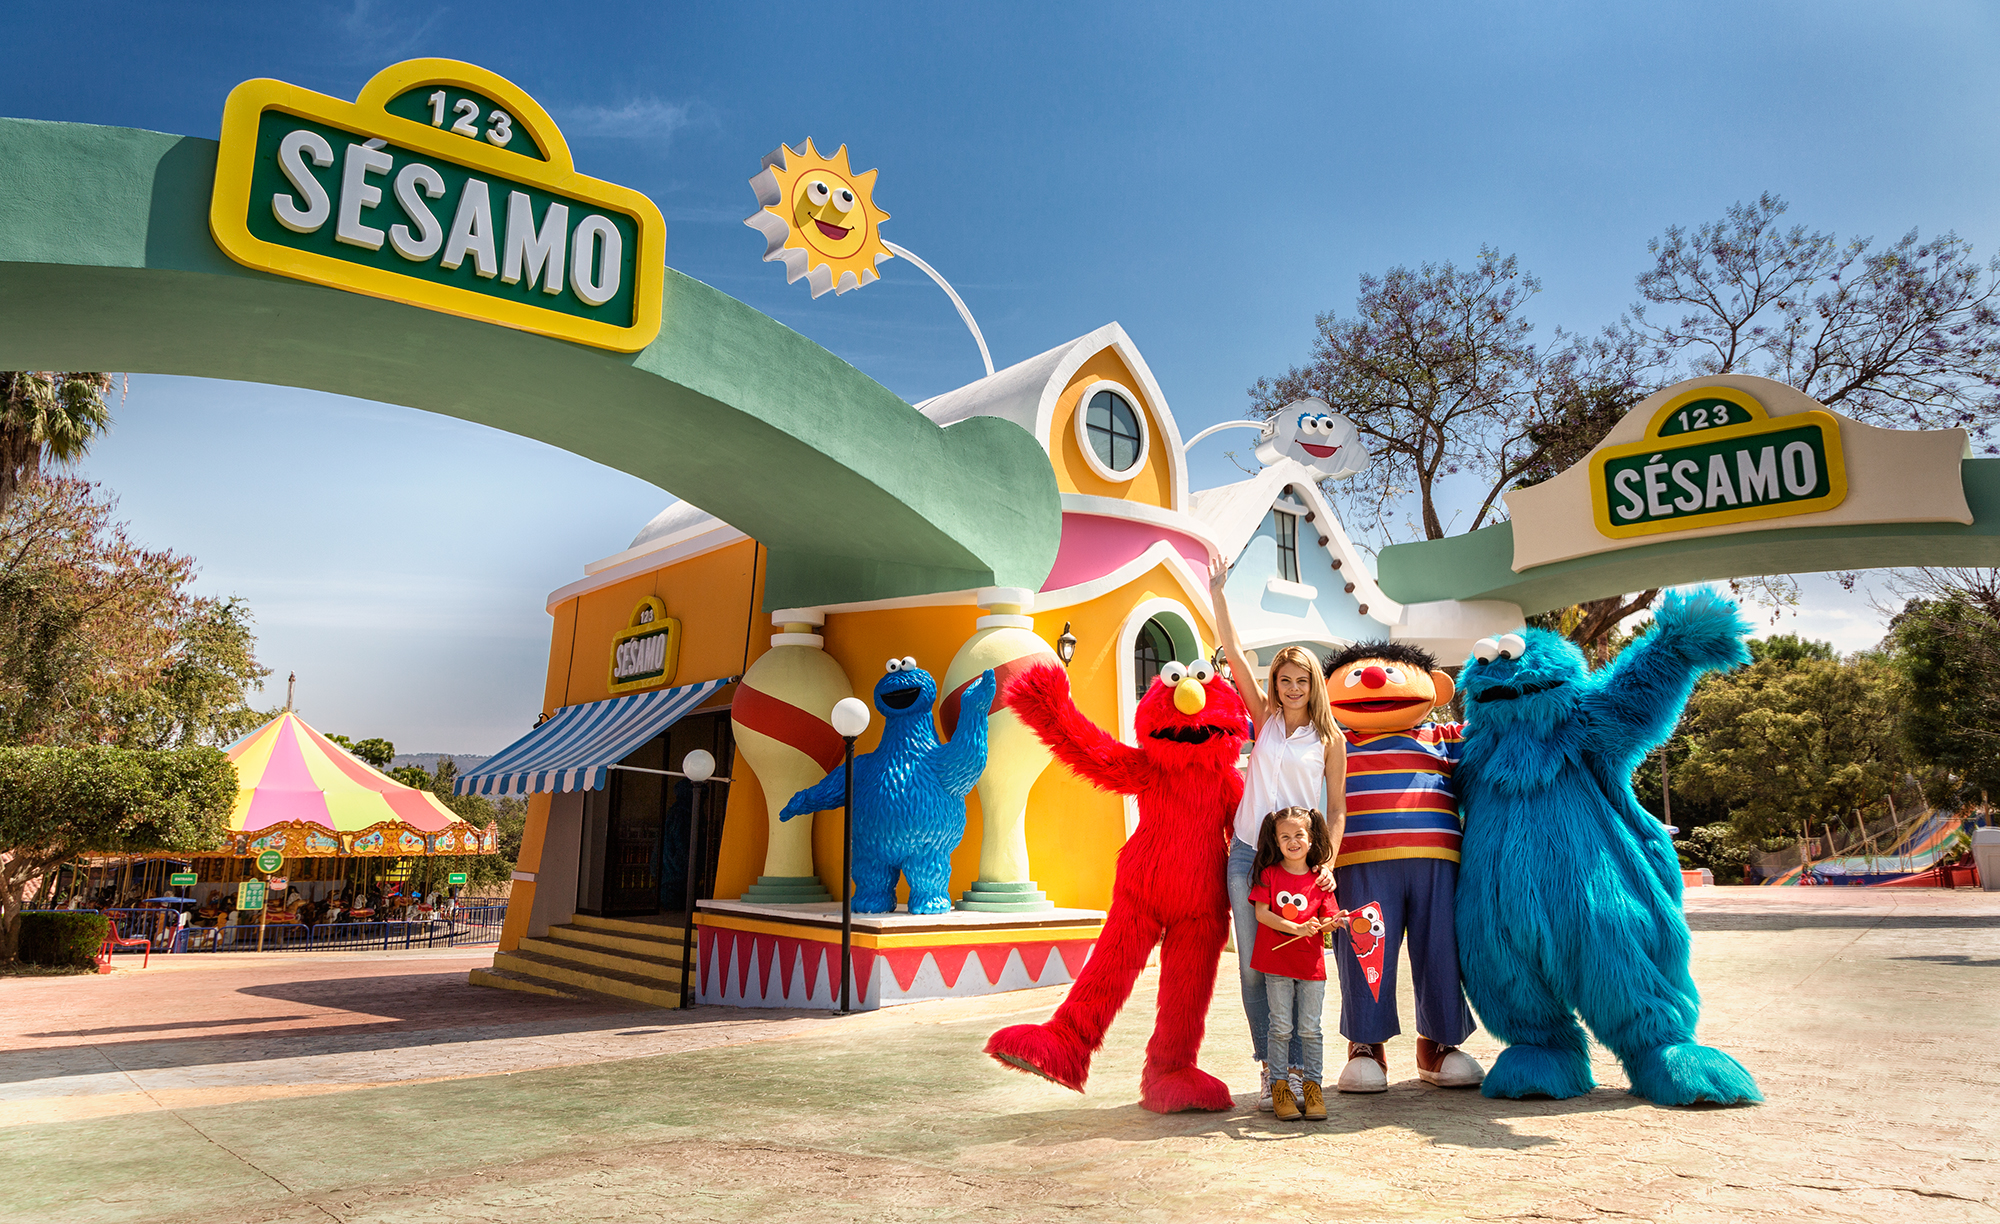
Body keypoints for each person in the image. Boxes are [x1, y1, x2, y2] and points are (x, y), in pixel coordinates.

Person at [1209, 556, 1347, 1111]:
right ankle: (1272, 1071)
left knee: (1298, 961)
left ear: (1314, 683)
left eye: (1301, 680)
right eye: (1284, 680)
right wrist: (1219, 592)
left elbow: (1335, 809)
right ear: (1275, 684)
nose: (1292, 688)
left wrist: (1328, 861)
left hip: (1297, 863)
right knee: (1252, 966)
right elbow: (1235, 651)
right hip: (1247, 855)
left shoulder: (1330, 739)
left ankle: (1299, 1070)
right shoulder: (1262, 717)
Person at [1322, 642, 1485, 1093]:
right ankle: (1365, 1044)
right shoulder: (1332, 741)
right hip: (1358, 864)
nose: (1373, 682)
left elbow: (1498, 734)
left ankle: (1439, 1043)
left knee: (1441, 950)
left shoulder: (1443, 736)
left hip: (1438, 866)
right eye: (1355, 676)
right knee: (1364, 954)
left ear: (1435, 689)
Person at [1246, 807, 1342, 1121]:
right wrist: (1296, 928)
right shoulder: (1269, 873)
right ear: (1275, 840)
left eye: (1299, 835)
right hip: (1276, 963)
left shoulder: (1320, 879)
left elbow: (1326, 921)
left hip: (1310, 966)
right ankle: (1280, 1090)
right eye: (1285, 836)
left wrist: (1333, 923)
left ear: (1312, 839)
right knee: (1281, 1028)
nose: (1293, 841)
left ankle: (1314, 1090)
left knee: (1311, 1029)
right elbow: (1262, 913)